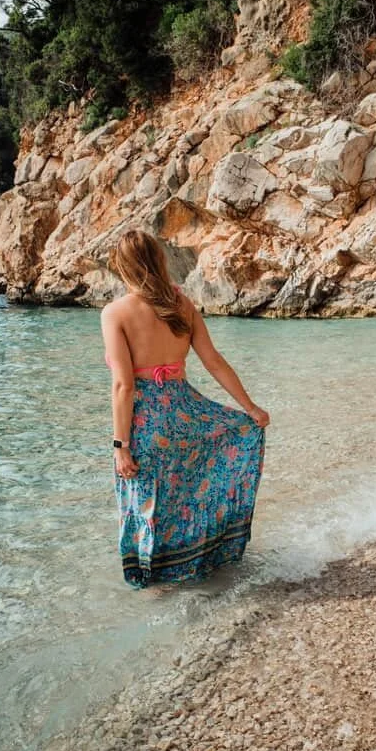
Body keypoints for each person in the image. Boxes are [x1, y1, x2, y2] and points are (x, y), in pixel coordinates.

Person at [101, 229, 269, 589]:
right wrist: (249, 408)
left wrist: (121, 446)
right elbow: (214, 362)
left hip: (146, 422)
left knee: (147, 503)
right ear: (159, 261)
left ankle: (155, 583)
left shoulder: (115, 313)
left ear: (122, 267)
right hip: (187, 412)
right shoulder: (182, 305)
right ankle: (199, 566)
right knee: (188, 494)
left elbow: (124, 386)